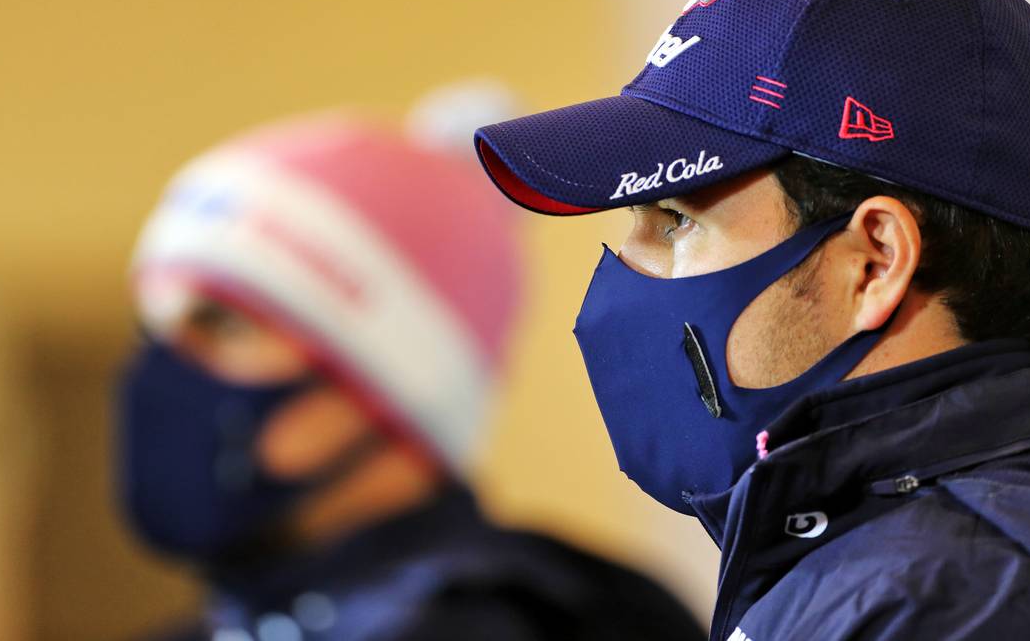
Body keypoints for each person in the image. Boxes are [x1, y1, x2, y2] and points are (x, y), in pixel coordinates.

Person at [472, 0, 1030, 639]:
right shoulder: (885, 554)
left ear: (875, 261)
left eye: (675, 221)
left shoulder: (954, 596)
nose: (624, 269)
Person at [114, 99, 705, 641]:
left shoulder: (571, 622)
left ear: (390, 372)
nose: (165, 365)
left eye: (224, 323)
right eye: (153, 329)